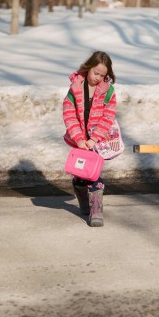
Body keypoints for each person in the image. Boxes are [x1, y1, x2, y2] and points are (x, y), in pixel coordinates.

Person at [63, 51, 118, 227]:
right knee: (80, 174)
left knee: (93, 174)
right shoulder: (75, 89)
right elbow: (69, 115)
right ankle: (84, 202)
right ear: (88, 68)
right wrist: (79, 139)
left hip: (97, 141)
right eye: (96, 73)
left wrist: (94, 139)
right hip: (79, 141)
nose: (98, 78)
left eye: (103, 75)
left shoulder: (108, 92)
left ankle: (96, 210)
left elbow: (108, 117)